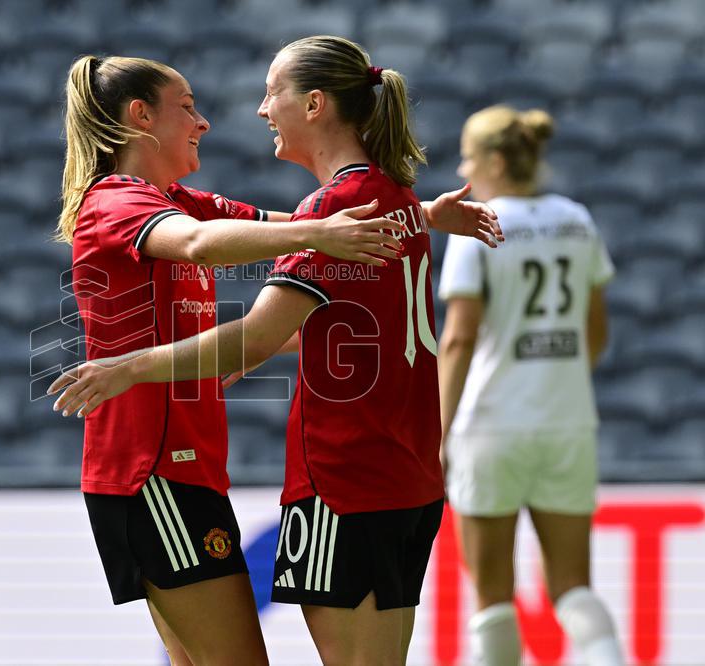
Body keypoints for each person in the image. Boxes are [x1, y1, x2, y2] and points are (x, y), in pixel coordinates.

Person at [50, 37, 501, 665]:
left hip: (196, 469)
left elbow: (295, 226)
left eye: (270, 95)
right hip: (150, 470)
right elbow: (212, 244)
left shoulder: (178, 200)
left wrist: (416, 214)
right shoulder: (118, 201)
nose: (208, 120)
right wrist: (334, 224)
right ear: (140, 117)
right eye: (187, 106)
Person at [436, 105, 624, 665]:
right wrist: (555, 381)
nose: (463, 169)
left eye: (468, 158)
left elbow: (458, 340)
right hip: (568, 422)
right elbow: (596, 331)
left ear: (494, 160)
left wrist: (438, 434)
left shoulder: (479, 225)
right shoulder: (577, 220)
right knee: (574, 588)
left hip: (491, 426)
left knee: (492, 597)